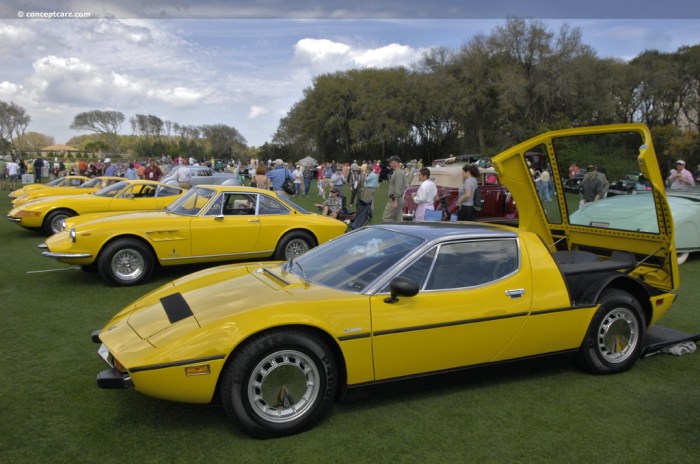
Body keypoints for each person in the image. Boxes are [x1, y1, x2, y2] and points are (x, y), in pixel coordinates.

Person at [382, 155, 408, 222]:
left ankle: (391, 232)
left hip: (395, 199)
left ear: (396, 162)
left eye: (391, 162)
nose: (389, 163)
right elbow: (406, 185)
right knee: (398, 219)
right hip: (399, 198)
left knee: (386, 218)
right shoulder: (400, 172)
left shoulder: (398, 173)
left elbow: (398, 187)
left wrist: (395, 200)